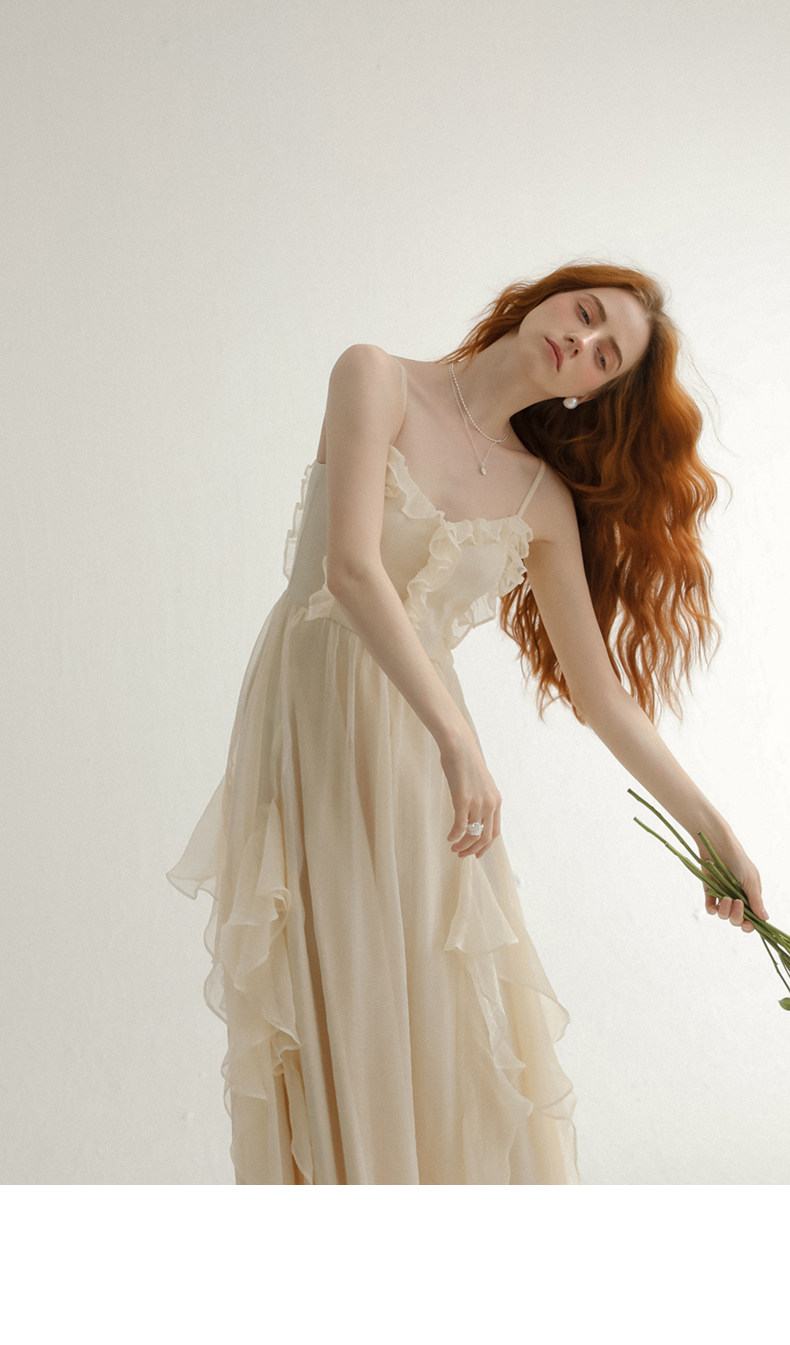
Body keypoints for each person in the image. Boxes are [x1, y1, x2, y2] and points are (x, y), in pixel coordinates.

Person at [165, 261, 766, 1185]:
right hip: (327, 724)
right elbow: (349, 570)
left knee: (438, 1014)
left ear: (592, 391)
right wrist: (458, 740)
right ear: (546, 297)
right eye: (586, 312)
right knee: (336, 1003)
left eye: (605, 355)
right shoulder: (374, 376)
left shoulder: (540, 497)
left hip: (431, 773)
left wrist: (714, 830)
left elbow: (602, 695)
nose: (581, 340)